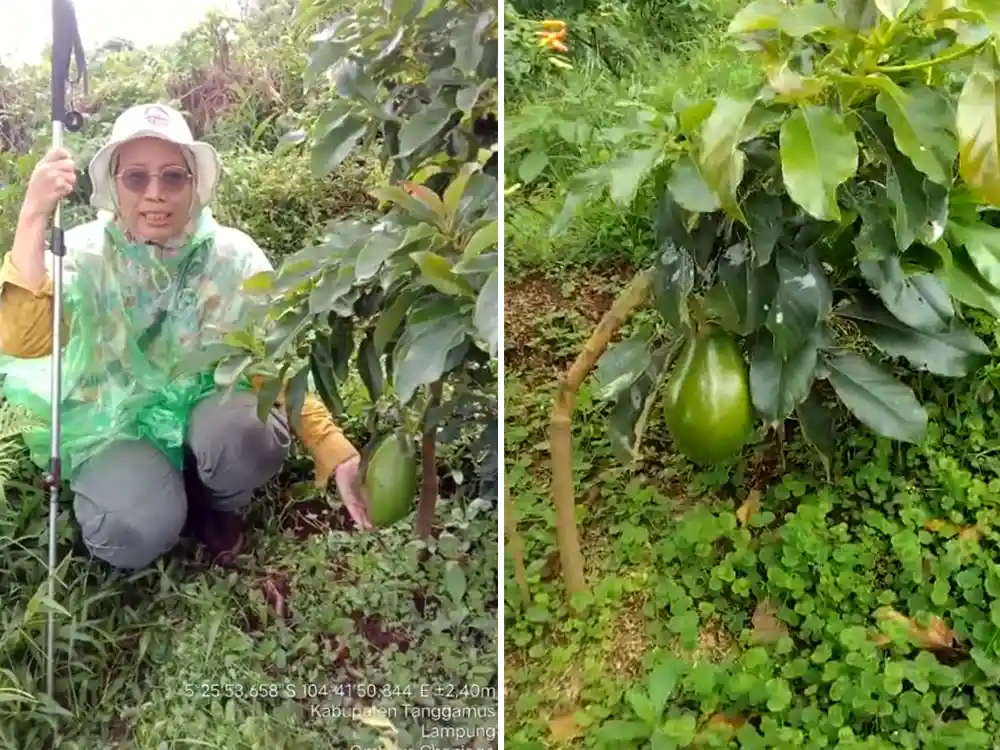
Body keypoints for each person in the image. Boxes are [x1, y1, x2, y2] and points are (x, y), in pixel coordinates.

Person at [0, 103, 373, 570]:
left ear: (194, 184)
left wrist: (331, 447)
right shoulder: (83, 255)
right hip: (112, 422)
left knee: (247, 435)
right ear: (114, 185)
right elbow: (23, 338)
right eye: (136, 177)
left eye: (172, 177)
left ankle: (213, 503)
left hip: (205, 407)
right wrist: (34, 215)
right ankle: (155, 497)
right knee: (128, 528)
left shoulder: (233, 257)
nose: (155, 194)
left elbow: (272, 360)